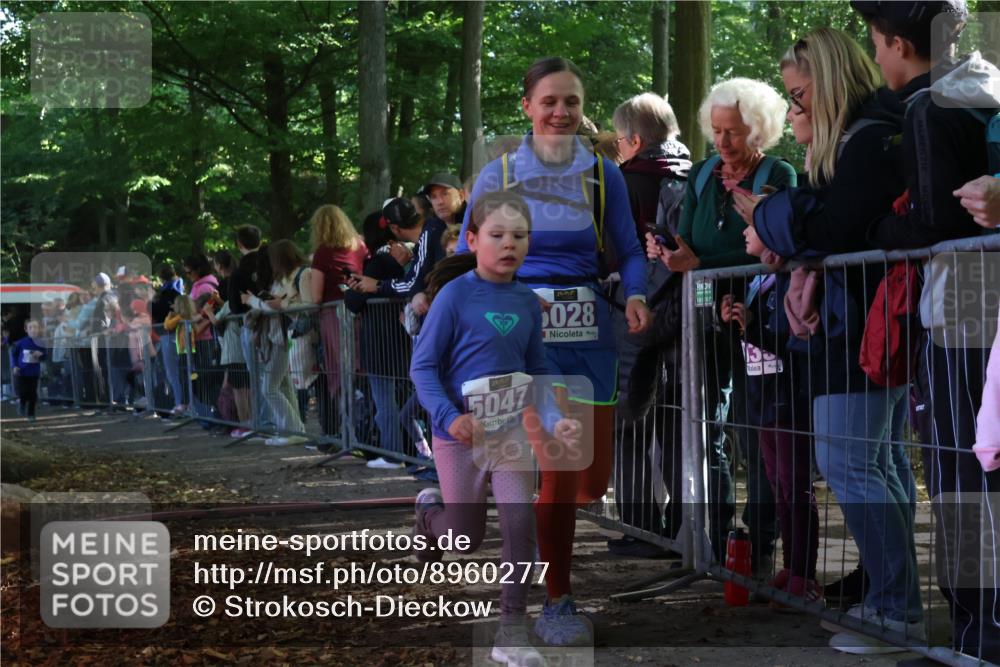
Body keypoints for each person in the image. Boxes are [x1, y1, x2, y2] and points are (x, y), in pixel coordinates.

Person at [456, 57, 650, 645]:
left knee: (586, 479)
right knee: (546, 471)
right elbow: (471, 254)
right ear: (528, 108)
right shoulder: (499, 176)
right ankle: (553, 602)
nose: (561, 111)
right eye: (549, 101)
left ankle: (453, 505)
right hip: (514, 335)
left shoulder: (602, 175)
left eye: (571, 101)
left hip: (586, 332)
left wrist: (637, 293)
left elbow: (630, 250)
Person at [741, 25, 919, 652]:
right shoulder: (867, 136)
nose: (792, 110)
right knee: (874, 463)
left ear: (828, 83)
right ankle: (894, 603)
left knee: (854, 464)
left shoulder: (867, 142)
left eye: (797, 95)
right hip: (863, 323)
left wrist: (775, 225)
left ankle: (895, 610)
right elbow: (827, 224)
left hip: (863, 327)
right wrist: (794, 247)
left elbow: (840, 227)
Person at [851, 2, 998, 660]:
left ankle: (978, 632)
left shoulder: (929, 107)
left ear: (899, 41)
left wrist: (877, 229)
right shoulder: (990, 87)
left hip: (963, 311)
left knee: (960, 473)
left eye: (876, 44)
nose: (876, 59)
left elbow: (937, 222)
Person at [410, 191, 582, 666]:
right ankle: (429, 515)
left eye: (519, 236)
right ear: (472, 240)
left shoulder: (528, 302)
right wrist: (450, 418)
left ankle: (512, 632)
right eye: (497, 235)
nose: (510, 245)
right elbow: (422, 368)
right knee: (465, 537)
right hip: (459, 435)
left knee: (519, 525)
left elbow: (539, 368)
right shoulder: (454, 297)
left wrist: (556, 419)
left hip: (509, 434)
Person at [646, 77, 793, 573]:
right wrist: (670, 253)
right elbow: (688, 239)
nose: (723, 142)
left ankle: (763, 542)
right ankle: (720, 534)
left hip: (761, 317)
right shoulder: (703, 172)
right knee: (706, 426)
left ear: (760, 130)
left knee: (760, 432)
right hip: (705, 313)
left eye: (734, 132)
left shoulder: (781, 174)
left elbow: (774, 247)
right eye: (716, 131)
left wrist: (697, 262)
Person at [608, 92, 692, 558]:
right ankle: (682, 529)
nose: (618, 148)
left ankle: (640, 528)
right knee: (678, 424)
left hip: (632, 312)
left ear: (635, 139)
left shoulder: (622, 183)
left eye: (620, 140)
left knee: (630, 422)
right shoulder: (697, 176)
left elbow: (610, 249)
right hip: (682, 316)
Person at [721, 219, 819, 607]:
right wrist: (734, 319)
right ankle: (792, 568)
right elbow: (756, 338)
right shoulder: (759, 280)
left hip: (787, 398)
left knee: (796, 488)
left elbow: (789, 339)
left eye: (754, 224)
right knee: (779, 485)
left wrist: (751, 326)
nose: (744, 231)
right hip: (763, 398)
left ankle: (804, 573)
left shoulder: (788, 282)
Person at [345, 212, 413, 469]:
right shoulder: (398, 261)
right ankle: (414, 450)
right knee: (403, 397)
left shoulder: (378, 262)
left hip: (379, 341)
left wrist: (351, 290)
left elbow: (355, 300)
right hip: (399, 338)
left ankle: (393, 454)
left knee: (384, 400)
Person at [241, 240, 313, 448]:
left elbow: (298, 306)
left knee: (270, 387)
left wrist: (252, 301)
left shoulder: (300, 275)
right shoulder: (284, 278)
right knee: (280, 385)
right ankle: (293, 429)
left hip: (286, 336)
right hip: (280, 335)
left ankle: (294, 429)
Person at [308, 205, 367, 438]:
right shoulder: (360, 247)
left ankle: (348, 436)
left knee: (339, 375)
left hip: (334, 317)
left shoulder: (323, 253)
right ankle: (364, 433)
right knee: (360, 369)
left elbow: (316, 296)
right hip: (360, 313)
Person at [347, 198, 446, 319]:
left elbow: (412, 284)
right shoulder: (432, 230)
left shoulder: (429, 234)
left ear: (394, 228)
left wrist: (378, 285)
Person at [228, 225, 276, 432]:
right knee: (274, 376)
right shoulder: (271, 264)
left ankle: (264, 422)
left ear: (239, 244)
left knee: (258, 376)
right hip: (275, 324)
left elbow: (234, 306)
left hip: (252, 325)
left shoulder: (239, 272)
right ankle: (277, 420)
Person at [151, 264, 185, 415]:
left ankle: (180, 404)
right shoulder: (180, 290)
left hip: (169, 334)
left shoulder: (166, 294)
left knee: (173, 373)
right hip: (180, 333)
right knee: (183, 371)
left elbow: (156, 312)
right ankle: (183, 403)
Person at [10, 320, 46, 421]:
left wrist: (41, 355)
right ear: (26, 330)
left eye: (35, 327)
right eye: (30, 328)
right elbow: (13, 355)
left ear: (39, 329)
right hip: (21, 372)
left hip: (34, 373)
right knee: (23, 392)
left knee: (33, 394)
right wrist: (15, 366)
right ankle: (22, 403)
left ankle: (31, 414)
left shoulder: (41, 343)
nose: (33, 330)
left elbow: (45, 357)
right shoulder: (21, 343)